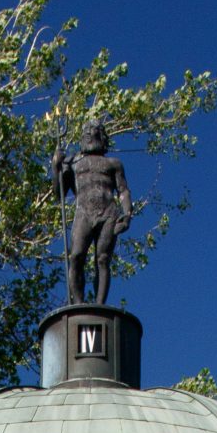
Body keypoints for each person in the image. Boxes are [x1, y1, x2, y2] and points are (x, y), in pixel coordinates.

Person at [53, 121, 132, 307]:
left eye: (93, 130)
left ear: (101, 135)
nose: (89, 133)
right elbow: (59, 194)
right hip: (84, 212)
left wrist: (127, 214)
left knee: (103, 259)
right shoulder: (72, 162)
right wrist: (55, 167)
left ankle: (99, 304)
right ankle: (79, 303)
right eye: (86, 130)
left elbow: (124, 191)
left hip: (108, 213)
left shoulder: (113, 163)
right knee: (76, 256)